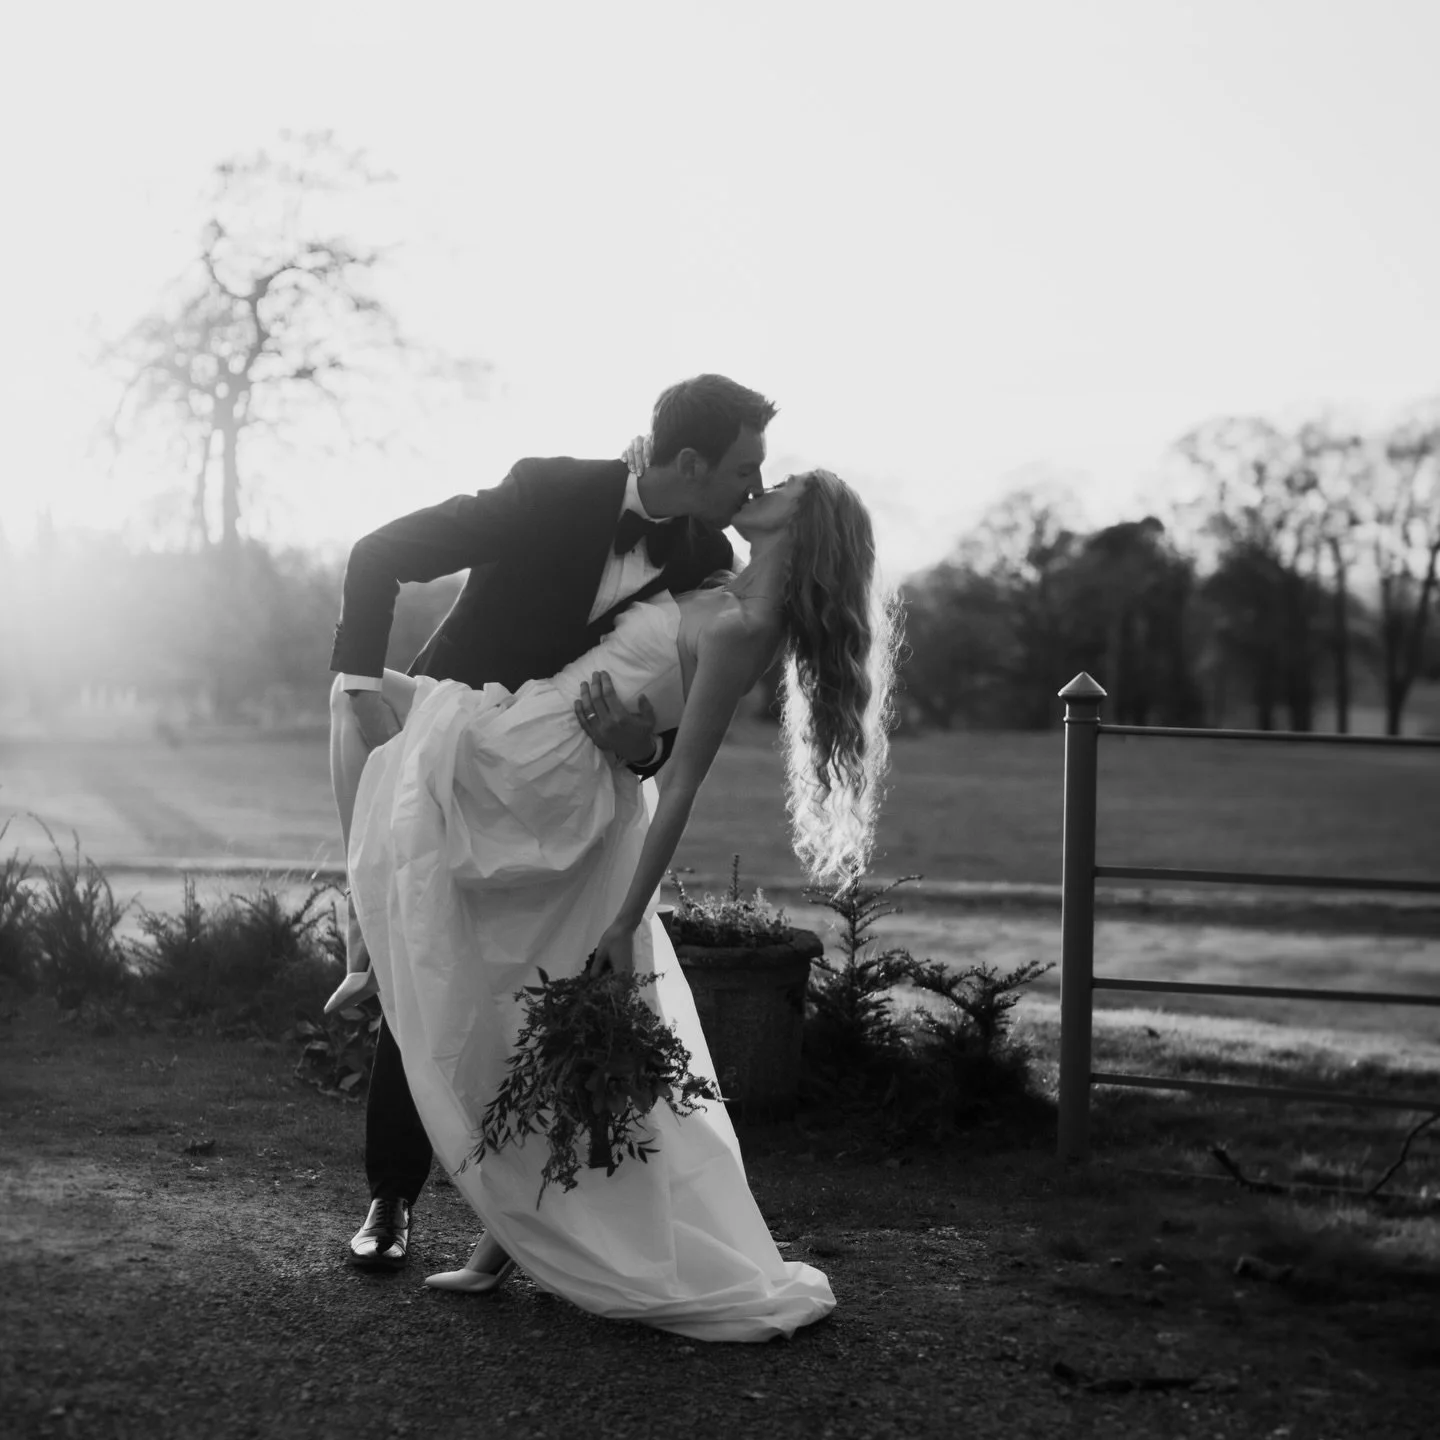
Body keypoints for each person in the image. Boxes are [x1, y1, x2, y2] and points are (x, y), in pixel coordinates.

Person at [344, 459, 898, 1341]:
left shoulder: (743, 626)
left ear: (809, 524)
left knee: (409, 817)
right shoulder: (708, 570)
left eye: (784, 481)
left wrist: (626, 914)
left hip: (548, 783)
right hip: (536, 743)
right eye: (752, 462)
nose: (764, 478)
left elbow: (678, 784)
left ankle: (363, 946)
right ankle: (491, 1225)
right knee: (364, 714)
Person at [328, 374, 770, 1273]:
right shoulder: (549, 490)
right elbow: (379, 552)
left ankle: (542, 1220)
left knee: (551, 988)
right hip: (457, 753)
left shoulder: (707, 554)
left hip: (569, 792)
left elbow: (670, 708)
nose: (754, 488)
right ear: (690, 461)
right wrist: (365, 687)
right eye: (744, 467)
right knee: (427, 951)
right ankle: (391, 1199)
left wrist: (642, 746)